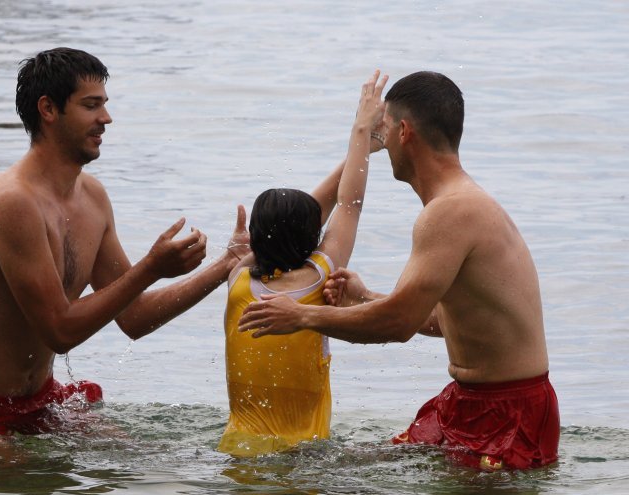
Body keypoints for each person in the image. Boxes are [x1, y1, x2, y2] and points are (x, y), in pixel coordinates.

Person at [0, 47, 249, 436]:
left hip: (39, 403)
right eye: (91, 106)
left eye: (104, 105)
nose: (105, 119)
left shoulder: (92, 198)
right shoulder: (10, 201)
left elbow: (134, 317)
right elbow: (60, 331)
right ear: (48, 109)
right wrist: (151, 268)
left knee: (133, 458)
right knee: (14, 481)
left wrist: (226, 264)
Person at [237, 71, 559, 470]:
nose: (382, 143)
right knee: (350, 466)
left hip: (509, 411)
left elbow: (399, 325)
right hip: (469, 401)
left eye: (384, 131)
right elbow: (445, 321)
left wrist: (301, 315)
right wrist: (366, 297)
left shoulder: (450, 211)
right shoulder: (456, 205)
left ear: (404, 131)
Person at [217, 71, 388, 457]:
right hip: (305, 456)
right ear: (312, 237)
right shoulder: (319, 277)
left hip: (236, 449)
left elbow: (297, 222)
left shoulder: (238, 276)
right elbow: (348, 204)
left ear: (256, 240)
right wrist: (362, 136)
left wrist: (363, 143)